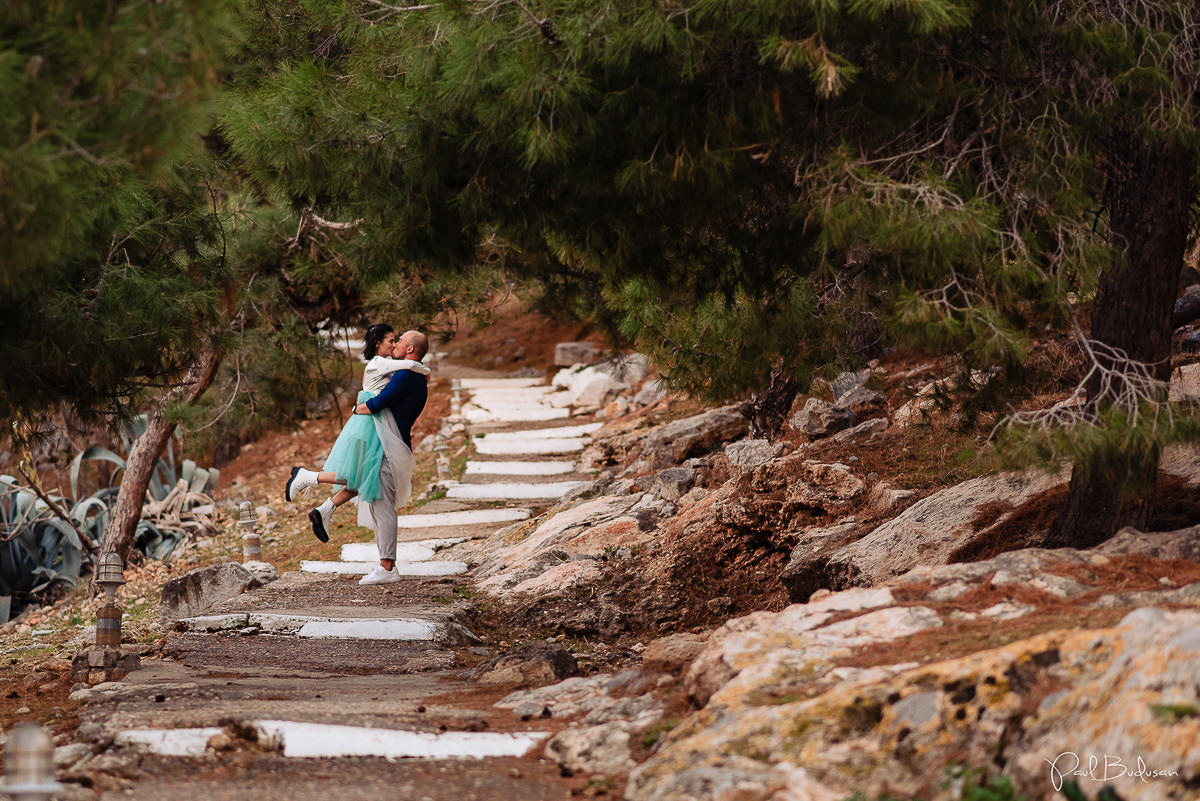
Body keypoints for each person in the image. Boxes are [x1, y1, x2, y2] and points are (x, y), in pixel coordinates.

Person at [285, 326, 429, 562]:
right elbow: (386, 393)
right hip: (373, 426)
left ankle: (321, 502)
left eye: (398, 341)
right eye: (392, 341)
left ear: (410, 348)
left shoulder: (399, 370)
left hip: (379, 428)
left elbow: (388, 394)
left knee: (366, 476)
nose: (395, 344)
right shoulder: (384, 364)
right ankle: (310, 481)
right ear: (378, 344)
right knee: (365, 475)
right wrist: (423, 368)